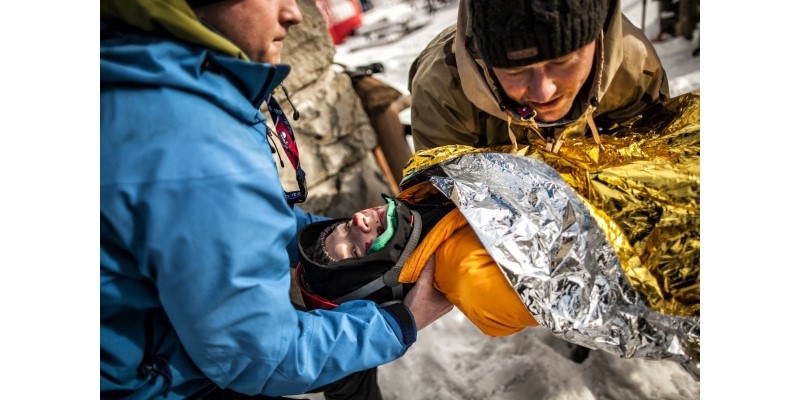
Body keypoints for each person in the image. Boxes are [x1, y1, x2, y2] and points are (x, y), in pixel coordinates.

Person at [100, 0, 453, 399]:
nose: (295, 13)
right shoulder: (198, 140)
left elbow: (220, 229)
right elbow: (259, 357)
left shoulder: (151, 80)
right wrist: (400, 322)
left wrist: (315, 234)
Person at [294, 135, 701, 378]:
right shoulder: (471, 284)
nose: (361, 219)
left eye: (344, 225)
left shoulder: (422, 194)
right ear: (380, 282)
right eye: (355, 247)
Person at [408, 0, 671, 152]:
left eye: (562, 61)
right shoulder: (442, 93)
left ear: (596, 41)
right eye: (515, 71)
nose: (543, 91)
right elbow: (443, 211)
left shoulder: (633, 64)